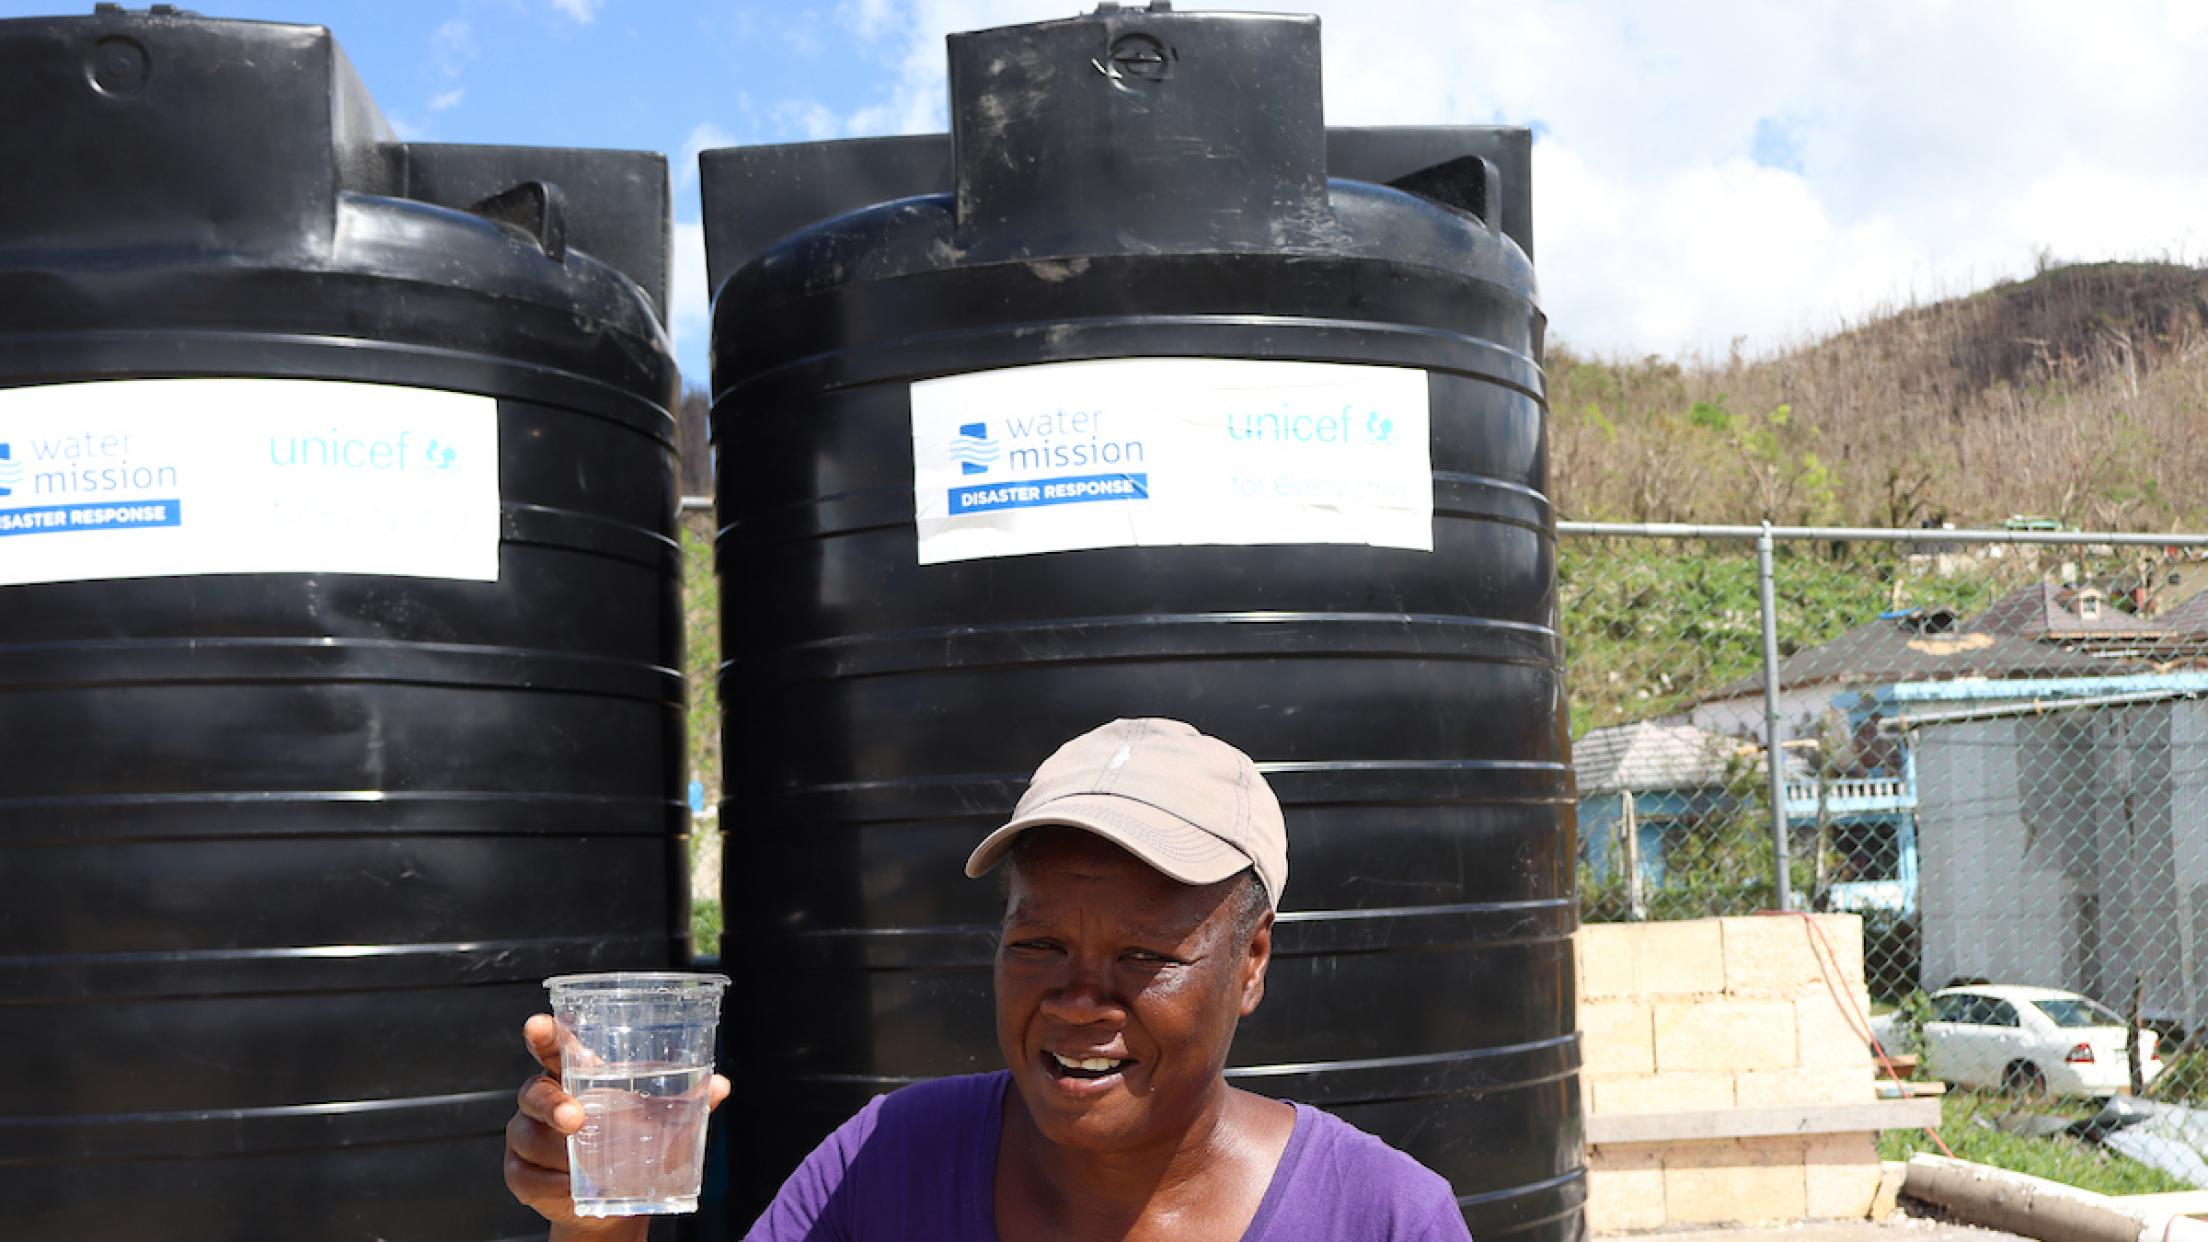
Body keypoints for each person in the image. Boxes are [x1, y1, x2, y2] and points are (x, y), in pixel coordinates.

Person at [506, 718, 1472, 1241]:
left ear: (1251, 961)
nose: (1079, 1001)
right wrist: (601, 1225)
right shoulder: (884, 1166)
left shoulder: (1382, 1216)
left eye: (1144, 957)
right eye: (1038, 944)